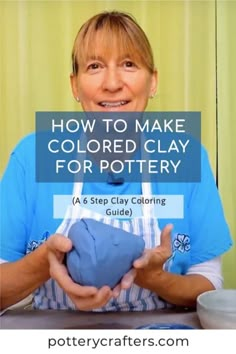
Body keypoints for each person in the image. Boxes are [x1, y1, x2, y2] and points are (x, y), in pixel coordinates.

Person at [0, 11, 232, 312]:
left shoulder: (186, 157)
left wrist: (156, 279)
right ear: (75, 86)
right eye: (95, 66)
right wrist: (45, 263)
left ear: (153, 82)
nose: (112, 83)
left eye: (128, 64)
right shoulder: (32, 158)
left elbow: (209, 284)